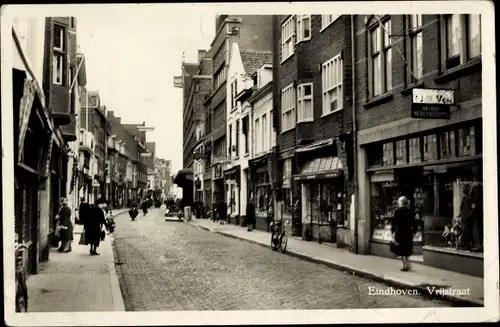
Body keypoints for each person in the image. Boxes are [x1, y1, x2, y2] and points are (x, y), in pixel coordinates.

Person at [391, 196, 416, 271]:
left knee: (401, 249)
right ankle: (407, 263)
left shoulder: (398, 211)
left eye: (399, 201)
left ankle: (405, 265)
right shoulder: (410, 211)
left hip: (400, 232)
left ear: (401, 202)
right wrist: (414, 231)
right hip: (408, 232)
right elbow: (414, 222)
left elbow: (394, 222)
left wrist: (392, 231)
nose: (398, 203)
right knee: (407, 248)